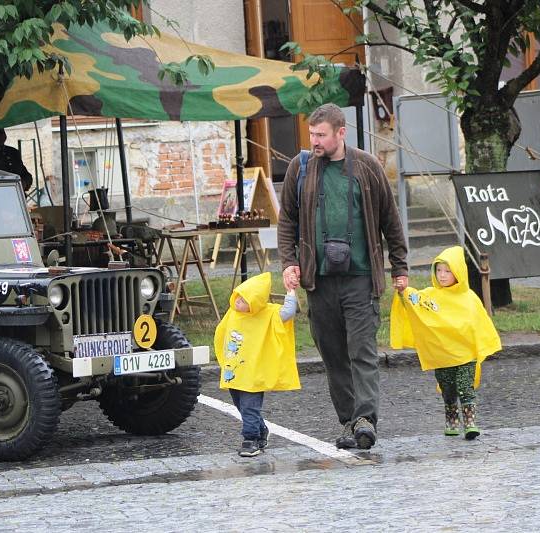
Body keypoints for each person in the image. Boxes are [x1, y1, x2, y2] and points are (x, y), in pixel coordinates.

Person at [277, 103, 408, 450]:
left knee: (361, 351)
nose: (314, 141)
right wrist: (289, 262)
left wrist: (400, 267)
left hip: (360, 278)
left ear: (341, 133)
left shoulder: (367, 166)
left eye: (321, 134)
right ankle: (350, 422)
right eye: (312, 134)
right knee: (333, 355)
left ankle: (366, 419)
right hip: (318, 280)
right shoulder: (300, 167)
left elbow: (390, 220)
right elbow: (287, 220)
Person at [390, 246, 501, 439]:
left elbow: (480, 323)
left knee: (465, 387)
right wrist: (403, 290)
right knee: (448, 390)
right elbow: (415, 299)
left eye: (447, 271)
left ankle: (470, 423)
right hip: (442, 357)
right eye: (439, 270)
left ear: (458, 272)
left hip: (466, 355)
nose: (442, 275)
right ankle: (451, 419)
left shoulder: (469, 298)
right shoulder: (431, 296)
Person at [214, 272, 301, 457]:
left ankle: (250, 439)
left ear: (254, 301)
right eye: (237, 296)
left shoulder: (268, 314)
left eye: (243, 299)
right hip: (234, 373)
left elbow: (288, 312)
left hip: (253, 375)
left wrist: (291, 292)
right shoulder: (233, 314)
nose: (237, 301)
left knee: (249, 407)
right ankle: (261, 430)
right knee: (240, 405)